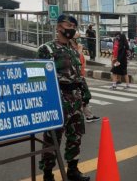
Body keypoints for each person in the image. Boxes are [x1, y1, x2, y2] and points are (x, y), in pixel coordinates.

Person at [37, 14, 90, 181]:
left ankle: (73, 170)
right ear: (58, 27)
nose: (72, 29)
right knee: (52, 139)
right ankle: (47, 174)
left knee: (76, 136)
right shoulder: (47, 49)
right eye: (69, 25)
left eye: (74, 26)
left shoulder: (72, 50)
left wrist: (85, 94)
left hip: (75, 100)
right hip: (58, 101)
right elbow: (41, 79)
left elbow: (79, 75)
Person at [70, 33, 100, 123]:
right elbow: (74, 62)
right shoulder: (71, 49)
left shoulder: (77, 47)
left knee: (85, 97)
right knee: (80, 97)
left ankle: (88, 115)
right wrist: (79, 51)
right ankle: (80, 116)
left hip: (81, 76)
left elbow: (82, 61)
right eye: (76, 38)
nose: (79, 41)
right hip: (74, 77)